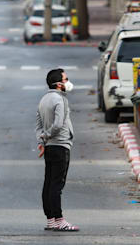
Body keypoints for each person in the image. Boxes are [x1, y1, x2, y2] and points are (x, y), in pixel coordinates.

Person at [35, 68, 79, 232]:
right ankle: (59, 219)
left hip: (49, 147)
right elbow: (59, 124)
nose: (68, 82)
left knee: (48, 183)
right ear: (59, 84)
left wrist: (42, 140)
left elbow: (38, 124)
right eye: (66, 79)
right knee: (57, 185)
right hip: (60, 145)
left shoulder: (43, 99)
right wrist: (47, 136)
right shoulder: (60, 100)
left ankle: (50, 220)